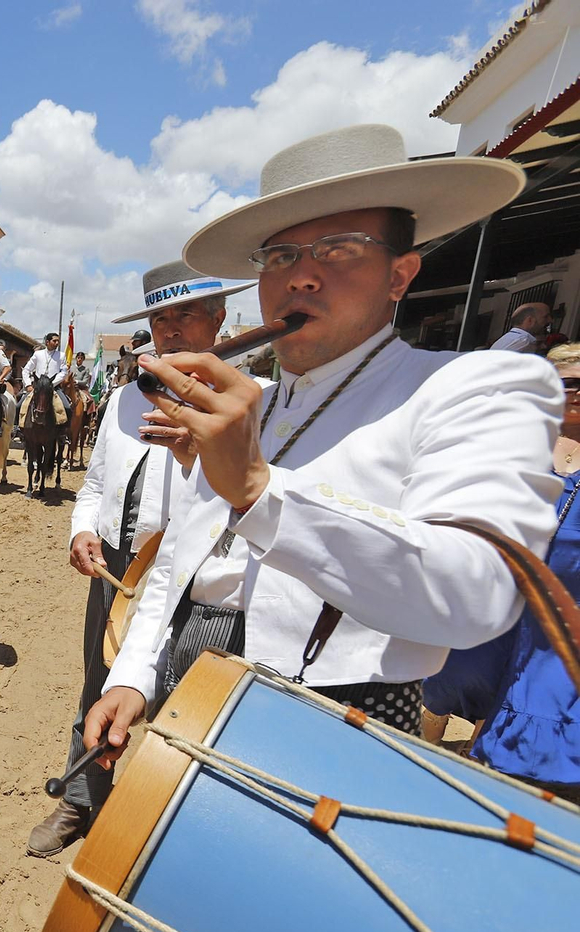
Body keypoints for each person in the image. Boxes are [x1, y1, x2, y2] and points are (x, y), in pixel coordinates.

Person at [84, 123, 560, 779]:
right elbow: (179, 560)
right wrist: (135, 674)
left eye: (339, 249)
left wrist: (258, 490)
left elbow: (476, 592)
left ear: (400, 274)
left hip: (337, 717)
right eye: (280, 257)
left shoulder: (478, 386)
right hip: (188, 680)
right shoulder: (256, 402)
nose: (302, 277)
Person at [27, 260, 251, 857]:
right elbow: (96, 484)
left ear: (219, 320)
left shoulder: (242, 403)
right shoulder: (125, 399)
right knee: (99, 686)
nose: (171, 329)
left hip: (195, 581)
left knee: (184, 706)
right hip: (115, 571)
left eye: (185, 315)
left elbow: (235, 503)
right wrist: (82, 530)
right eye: (160, 317)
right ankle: (81, 802)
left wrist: (192, 459)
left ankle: (159, 827)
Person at [423, 343, 580, 805]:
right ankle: (429, 765)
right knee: (458, 678)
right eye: (567, 382)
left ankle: (525, 801)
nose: (575, 392)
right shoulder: (518, 443)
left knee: (538, 704)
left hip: (563, 603)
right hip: (498, 592)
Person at [21, 332, 69, 414]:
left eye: (58, 341)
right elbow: (26, 370)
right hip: (38, 388)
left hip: (54, 387)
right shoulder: (38, 354)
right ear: (47, 342)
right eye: (54, 341)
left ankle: (65, 427)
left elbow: (64, 372)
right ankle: (17, 426)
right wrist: (28, 384)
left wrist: (51, 384)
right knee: (19, 406)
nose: (57, 343)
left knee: (67, 407)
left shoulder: (61, 355)